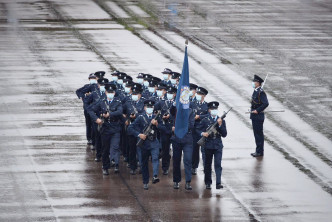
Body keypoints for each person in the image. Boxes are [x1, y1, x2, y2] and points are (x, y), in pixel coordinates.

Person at [88, 84, 123, 175]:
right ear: (106, 92)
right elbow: (90, 110)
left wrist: (110, 114)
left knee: (115, 146)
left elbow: (119, 111)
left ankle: (115, 163)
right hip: (105, 128)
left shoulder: (118, 101)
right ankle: (105, 166)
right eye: (109, 92)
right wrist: (96, 119)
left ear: (114, 93)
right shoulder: (102, 101)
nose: (110, 94)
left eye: (112, 92)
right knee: (105, 148)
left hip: (115, 127)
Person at [128, 100, 161, 190]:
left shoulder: (156, 117)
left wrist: (157, 124)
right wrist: (139, 135)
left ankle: (155, 176)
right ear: (145, 108)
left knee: (155, 158)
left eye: (151, 107)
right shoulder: (140, 117)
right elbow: (130, 128)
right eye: (148, 107)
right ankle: (145, 182)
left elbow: (164, 128)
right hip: (144, 143)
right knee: (144, 163)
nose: (149, 109)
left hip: (154, 142)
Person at [197, 102, 227, 189]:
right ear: (209, 110)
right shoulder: (205, 120)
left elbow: (224, 134)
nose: (214, 111)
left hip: (217, 145)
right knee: (207, 164)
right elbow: (197, 129)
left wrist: (220, 125)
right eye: (212, 109)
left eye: (216, 109)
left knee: (218, 164)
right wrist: (203, 133)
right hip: (208, 145)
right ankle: (208, 182)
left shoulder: (221, 121)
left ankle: (218, 183)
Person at [170, 103, 195, 190]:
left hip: (187, 139)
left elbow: (191, 125)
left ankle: (188, 181)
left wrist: (178, 127)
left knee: (187, 160)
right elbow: (171, 111)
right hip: (176, 139)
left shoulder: (190, 111)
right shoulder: (176, 110)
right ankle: (176, 181)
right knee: (176, 160)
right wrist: (174, 104)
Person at [123, 83, 146, 175]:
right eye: (133, 94)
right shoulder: (128, 102)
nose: (134, 96)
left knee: (140, 148)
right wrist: (126, 119)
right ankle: (133, 166)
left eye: (136, 94)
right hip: (131, 129)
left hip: (141, 128)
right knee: (132, 148)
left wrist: (136, 115)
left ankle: (141, 165)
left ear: (140, 95)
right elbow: (122, 111)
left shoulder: (144, 102)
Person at [156, 86, 177, 175]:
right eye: (168, 93)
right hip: (165, 129)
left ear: (175, 94)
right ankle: (165, 167)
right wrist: (162, 117)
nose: (169, 95)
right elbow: (156, 114)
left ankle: (176, 167)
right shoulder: (161, 103)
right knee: (165, 149)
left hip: (175, 129)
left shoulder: (177, 104)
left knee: (176, 150)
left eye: (171, 93)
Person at [190, 86, 209, 175]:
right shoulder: (192, 103)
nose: (197, 95)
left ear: (204, 96)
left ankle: (206, 166)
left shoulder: (207, 105)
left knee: (204, 150)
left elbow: (209, 116)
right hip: (194, 129)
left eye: (200, 94)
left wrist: (199, 117)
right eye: (197, 93)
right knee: (194, 150)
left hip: (203, 129)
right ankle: (194, 166)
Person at [75, 73, 97, 145]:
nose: (92, 80)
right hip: (87, 108)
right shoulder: (87, 86)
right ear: (89, 79)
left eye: (94, 78)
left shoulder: (98, 86)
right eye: (91, 78)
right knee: (88, 124)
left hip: (95, 108)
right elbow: (78, 91)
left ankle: (94, 139)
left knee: (94, 124)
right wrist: (84, 97)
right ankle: (89, 138)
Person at [250, 75, 269, 157]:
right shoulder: (256, 91)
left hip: (258, 116)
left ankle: (260, 152)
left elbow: (266, 103)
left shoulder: (261, 92)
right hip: (254, 116)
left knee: (258, 135)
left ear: (258, 83)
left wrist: (257, 110)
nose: (253, 83)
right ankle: (258, 150)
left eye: (254, 82)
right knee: (256, 134)